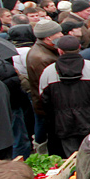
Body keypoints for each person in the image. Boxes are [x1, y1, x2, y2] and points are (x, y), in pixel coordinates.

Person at [39, 35, 90, 157]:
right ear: (79, 48)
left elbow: (44, 101)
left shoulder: (48, 72)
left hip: (63, 125)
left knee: (73, 160)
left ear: (60, 50)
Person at [26, 19, 63, 155]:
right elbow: (49, 85)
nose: (61, 35)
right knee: (44, 132)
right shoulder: (42, 57)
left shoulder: (45, 51)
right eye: (58, 33)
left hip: (42, 104)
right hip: (45, 106)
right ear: (49, 37)